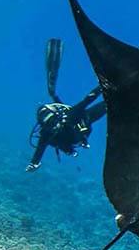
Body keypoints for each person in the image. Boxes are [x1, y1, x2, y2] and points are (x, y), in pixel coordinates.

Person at [26, 39, 106, 171]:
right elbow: (39, 150)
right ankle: (54, 94)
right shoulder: (47, 134)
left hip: (83, 119)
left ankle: (54, 94)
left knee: (103, 107)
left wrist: (102, 86)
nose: (53, 127)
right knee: (103, 107)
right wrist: (34, 163)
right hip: (79, 128)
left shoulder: (67, 118)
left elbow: (87, 100)